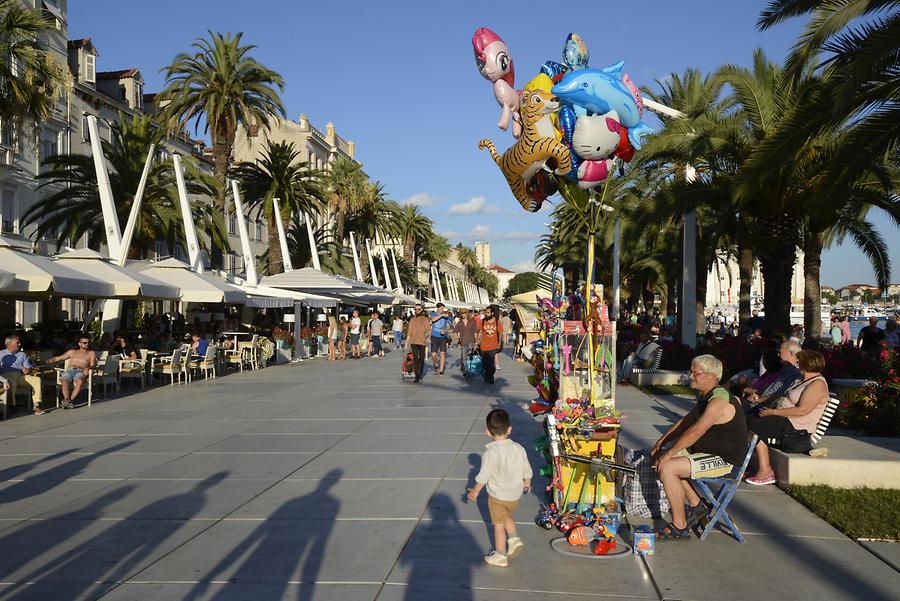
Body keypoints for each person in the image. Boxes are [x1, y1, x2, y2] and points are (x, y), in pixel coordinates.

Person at [651, 355, 750, 539]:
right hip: (710, 453)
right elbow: (685, 423)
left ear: (711, 375)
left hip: (725, 460)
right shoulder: (707, 396)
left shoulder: (719, 400)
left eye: (695, 372)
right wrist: (661, 444)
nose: (690, 376)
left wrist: (669, 454)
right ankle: (697, 505)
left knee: (668, 467)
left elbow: (696, 430)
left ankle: (679, 526)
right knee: (665, 458)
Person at [745, 350, 829, 485]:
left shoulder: (817, 384)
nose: (797, 363)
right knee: (746, 417)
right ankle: (744, 463)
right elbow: (781, 395)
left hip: (797, 425)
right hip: (785, 418)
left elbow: (802, 411)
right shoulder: (801, 380)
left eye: (799, 361)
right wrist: (760, 400)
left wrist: (772, 413)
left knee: (756, 424)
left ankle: (765, 470)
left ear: (808, 363)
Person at [466, 408, 532, 567]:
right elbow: (526, 468)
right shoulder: (518, 448)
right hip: (515, 494)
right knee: (506, 516)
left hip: (497, 496)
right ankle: (514, 539)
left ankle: (500, 555)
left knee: (498, 524)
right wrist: (527, 482)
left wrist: (475, 491)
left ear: (487, 432)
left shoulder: (491, 453)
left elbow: (484, 476)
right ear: (510, 429)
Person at [744, 340, 802, 410]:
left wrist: (758, 399)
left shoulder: (795, 374)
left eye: (780, 352)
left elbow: (779, 395)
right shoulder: (784, 370)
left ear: (790, 353)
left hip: (766, 408)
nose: (778, 355)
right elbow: (769, 389)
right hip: (759, 403)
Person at [48, 334, 97, 409]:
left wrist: (88, 367)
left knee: (79, 381)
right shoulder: (72, 352)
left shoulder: (91, 353)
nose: (87, 344)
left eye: (88, 343)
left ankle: (68, 401)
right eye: (84, 343)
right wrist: (46, 361)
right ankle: (68, 401)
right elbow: (58, 358)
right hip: (70, 370)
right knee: (64, 381)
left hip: (80, 371)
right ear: (79, 344)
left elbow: (93, 364)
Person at [0, 335, 45, 414]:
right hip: (6, 375)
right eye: (17, 342)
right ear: (10, 343)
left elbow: (29, 368)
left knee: (36, 379)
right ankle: (12, 405)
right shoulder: (1, 354)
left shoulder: (22, 354)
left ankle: (36, 405)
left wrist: (27, 370)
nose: (20, 344)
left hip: (20, 376)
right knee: (12, 382)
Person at [405, 303, 431, 383]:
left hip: (422, 342)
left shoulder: (425, 319)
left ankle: (420, 372)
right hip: (414, 342)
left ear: (422, 310)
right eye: (415, 309)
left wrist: (428, 338)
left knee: (422, 359)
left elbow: (428, 330)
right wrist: (406, 343)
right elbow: (409, 332)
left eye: (418, 309)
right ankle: (417, 376)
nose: (417, 310)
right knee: (415, 359)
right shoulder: (412, 320)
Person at [476, 305, 502, 384]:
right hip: (483, 346)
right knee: (484, 363)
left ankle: (490, 377)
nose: (486, 314)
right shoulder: (483, 321)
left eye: (488, 313)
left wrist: (499, 342)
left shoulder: (497, 322)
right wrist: (476, 342)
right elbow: (480, 332)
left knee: (491, 363)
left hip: (493, 346)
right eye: (485, 312)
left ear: (492, 313)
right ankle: (487, 375)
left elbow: (500, 332)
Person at [430, 303, 452, 375]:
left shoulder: (446, 317)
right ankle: (436, 365)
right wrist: (442, 315)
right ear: (437, 308)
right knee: (433, 354)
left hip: (443, 337)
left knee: (442, 354)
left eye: (443, 308)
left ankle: (441, 370)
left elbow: (448, 326)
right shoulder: (433, 314)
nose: (442, 310)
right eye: (441, 308)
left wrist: (445, 331)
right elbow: (433, 320)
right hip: (434, 336)